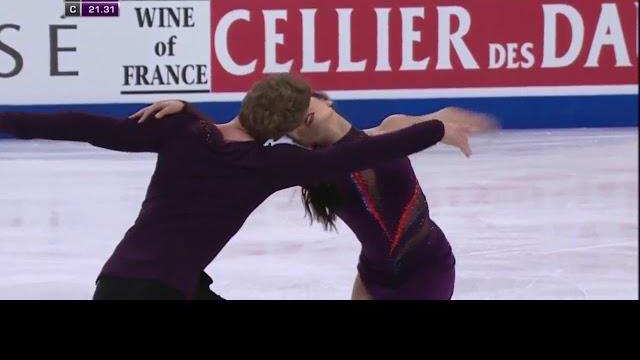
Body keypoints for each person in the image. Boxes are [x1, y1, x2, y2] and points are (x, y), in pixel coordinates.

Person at [0, 74, 471, 300]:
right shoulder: (270, 164)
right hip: (164, 293)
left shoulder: (182, 128)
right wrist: (435, 129)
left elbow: (81, 124)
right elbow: (356, 154)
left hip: (119, 284)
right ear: (286, 127)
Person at [136, 93, 496, 299]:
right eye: (289, 123)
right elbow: (226, 143)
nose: (298, 117)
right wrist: (185, 111)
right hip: (374, 277)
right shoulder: (312, 168)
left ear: (324, 99)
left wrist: (462, 124)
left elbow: (440, 116)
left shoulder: (390, 129)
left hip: (427, 265)